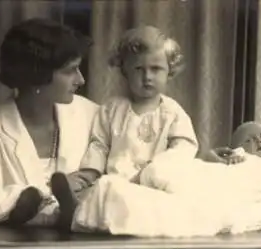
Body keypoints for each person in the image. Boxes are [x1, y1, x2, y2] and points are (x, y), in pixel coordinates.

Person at [50, 25, 199, 224]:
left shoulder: (172, 113)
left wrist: (155, 171)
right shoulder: (112, 109)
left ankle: (78, 214)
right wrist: (89, 173)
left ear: (169, 71)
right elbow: (99, 144)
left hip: (154, 184)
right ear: (125, 72)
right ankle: (68, 205)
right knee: (102, 193)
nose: (147, 77)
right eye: (138, 69)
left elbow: (184, 147)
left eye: (156, 69)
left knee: (145, 203)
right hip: (117, 179)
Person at [0, 18, 98, 228]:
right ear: (38, 74)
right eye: (70, 71)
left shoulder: (90, 114)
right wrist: (50, 190)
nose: (81, 80)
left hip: (84, 245)